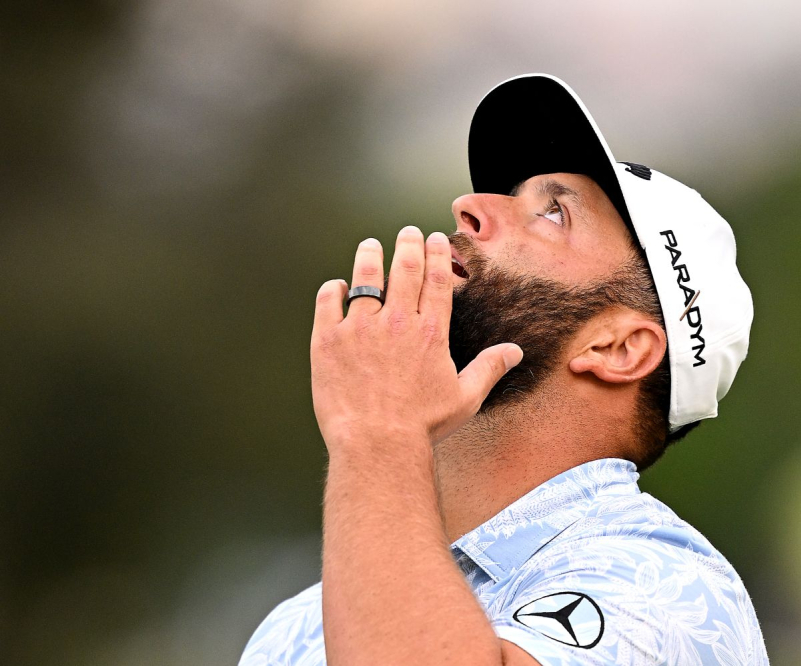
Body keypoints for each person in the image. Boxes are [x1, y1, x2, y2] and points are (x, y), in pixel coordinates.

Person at [238, 74, 767, 665]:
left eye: (555, 214)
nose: (469, 207)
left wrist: (378, 433)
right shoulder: (297, 628)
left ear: (619, 348)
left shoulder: (671, 589)